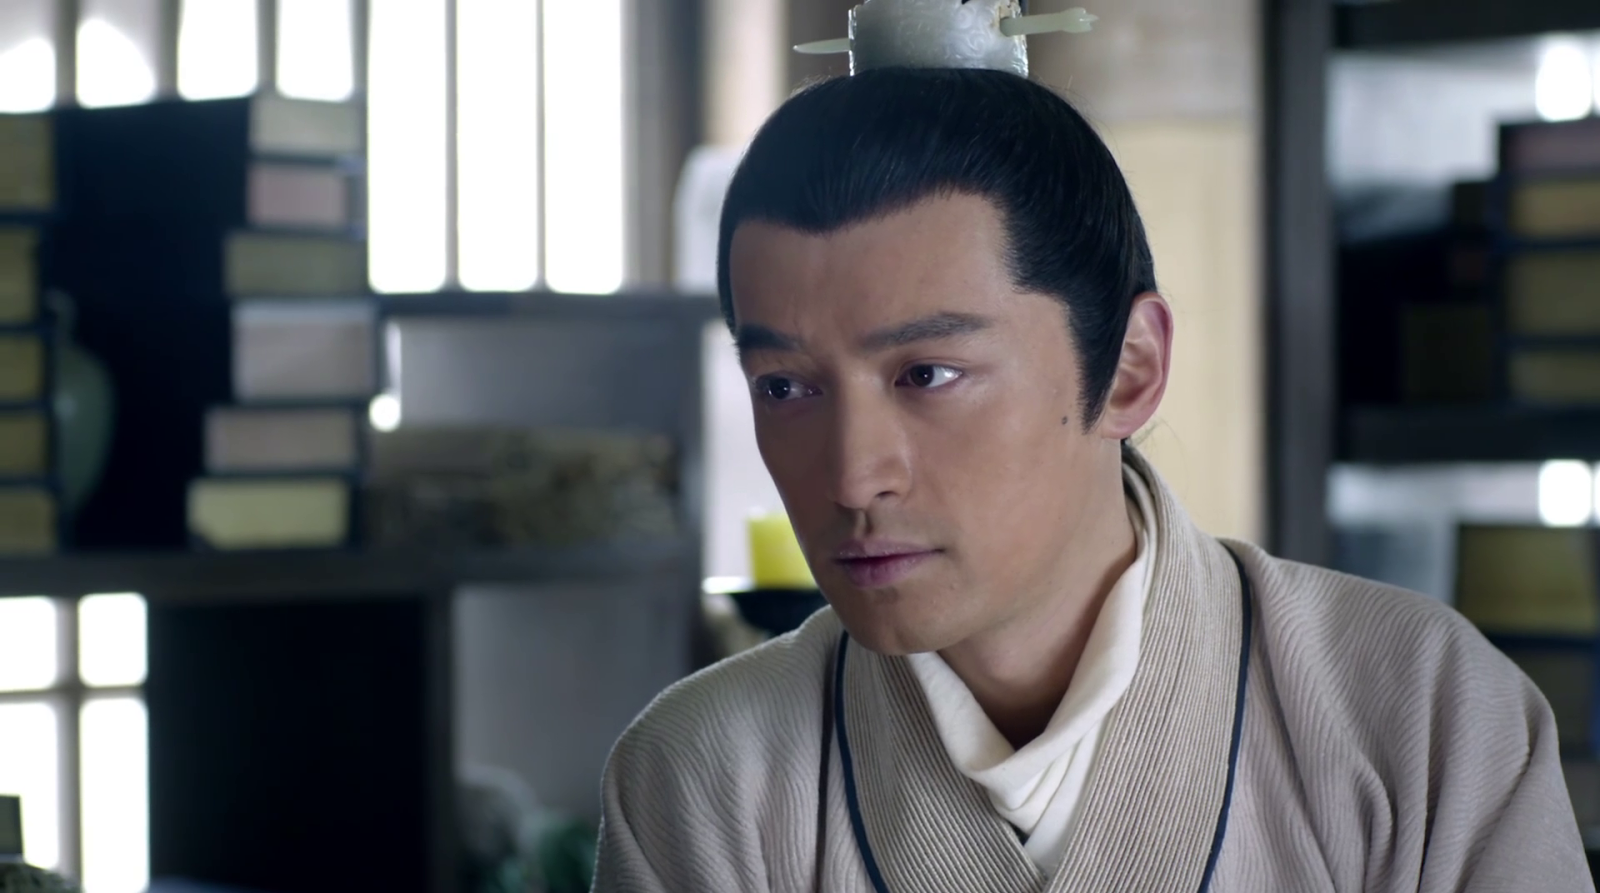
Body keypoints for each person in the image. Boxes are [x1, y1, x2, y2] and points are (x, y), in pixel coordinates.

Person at [592, 66, 1591, 893]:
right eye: (785, 386)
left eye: (927, 374)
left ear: (1127, 369)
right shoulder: (700, 774)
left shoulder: (1420, 711)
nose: (854, 475)